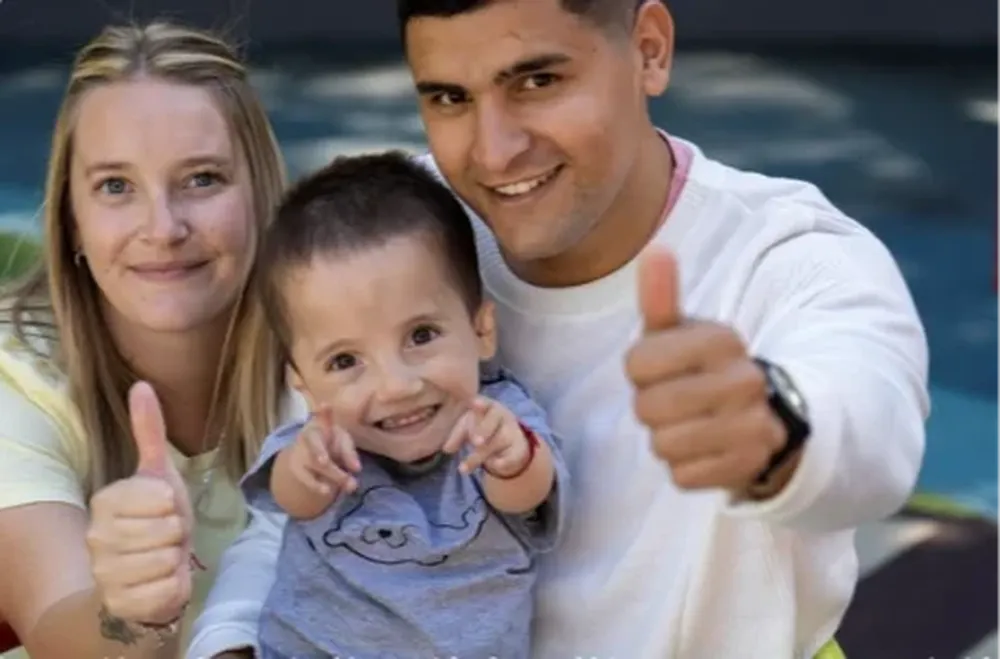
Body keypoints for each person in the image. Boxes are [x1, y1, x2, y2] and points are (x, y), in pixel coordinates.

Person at [189, 1, 929, 657]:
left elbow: (871, 424)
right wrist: (229, 645)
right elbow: (288, 524)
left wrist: (772, 429)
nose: (494, 151)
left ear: (649, 49)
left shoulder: (789, 257)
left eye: (537, 81)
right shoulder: (392, 232)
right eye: (449, 97)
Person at [0, 21, 299, 659]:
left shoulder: (344, 354)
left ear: (261, 193)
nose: (162, 228)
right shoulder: (14, 380)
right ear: (71, 219)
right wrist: (132, 612)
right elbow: (52, 620)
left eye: (202, 179)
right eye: (116, 187)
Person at [242, 151, 569, 658]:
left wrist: (513, 459)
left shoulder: (498, 416)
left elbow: (527, 494)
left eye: (421, 335)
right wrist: (306, 470)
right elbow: (292, 499)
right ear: (302, 381)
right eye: (346, 360)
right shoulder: (320, 441)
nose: (395, 385)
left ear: (481, 330)